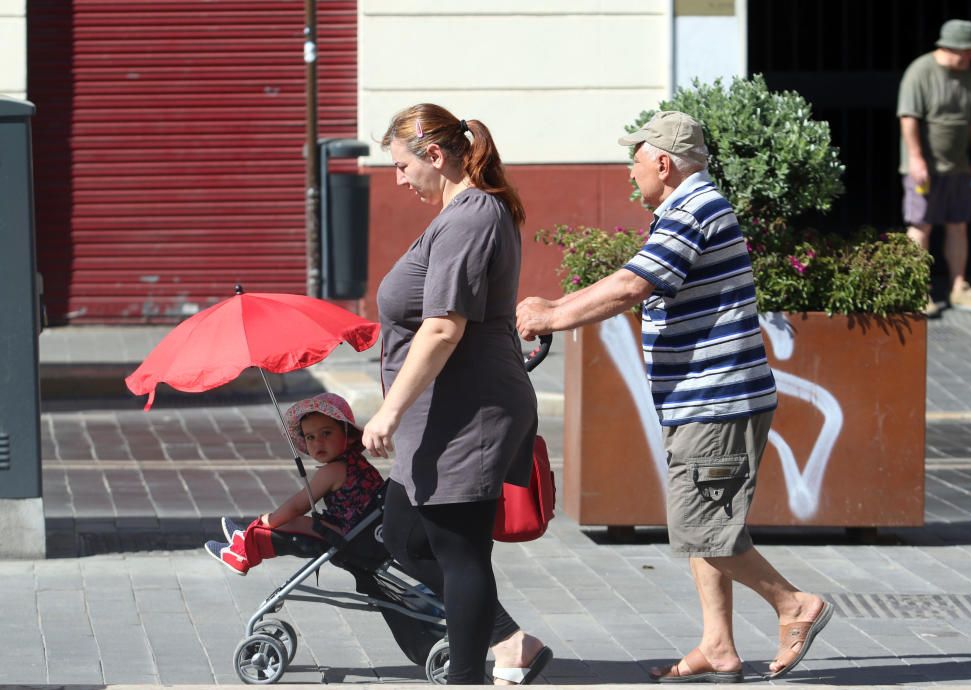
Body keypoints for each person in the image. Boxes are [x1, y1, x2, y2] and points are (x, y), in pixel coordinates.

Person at [516, 111, 832, 682]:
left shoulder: (693, 210)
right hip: (704, 399)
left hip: (716, 400)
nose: (630, 172)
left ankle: (793, 604)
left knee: (701, 529)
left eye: (634, 161)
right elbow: (634, 273)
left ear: (662, 162)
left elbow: (633, 287)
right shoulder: (688, 209)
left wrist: (554, 316)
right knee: (707, 525)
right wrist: (555, 307)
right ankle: (718, 645)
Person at [361, 103, 551, 685]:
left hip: (467, 409)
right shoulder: (461, 214)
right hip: (439, 409)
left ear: (435, 156)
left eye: (400, 166)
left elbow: (444, 326)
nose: (398, 179)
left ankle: (469, 674)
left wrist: (388, 412)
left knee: (458, 551)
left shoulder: (471, 217)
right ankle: (512, 640)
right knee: (402, 533)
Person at [204, 393, 384, 575]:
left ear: (349, 435)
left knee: (286, 522)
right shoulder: (355, 462)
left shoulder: (333, 471)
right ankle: (244, 538)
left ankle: (242, 553)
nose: (318, 442)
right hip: (368, 533)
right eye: (310, 437)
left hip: (353, 537)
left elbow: (297, 506)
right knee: (288, 521)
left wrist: (269, 520)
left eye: (326, 433)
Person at [898, 19, 971, 317]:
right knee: (921, 224)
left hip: (959, 166)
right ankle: (918, 289)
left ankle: (959, 287)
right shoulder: (920, 72)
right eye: (969, 50)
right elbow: (908, 118)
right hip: (926, 167)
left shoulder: (967, 74)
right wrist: (917, 159)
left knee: (958, 224)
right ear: (953, 48)